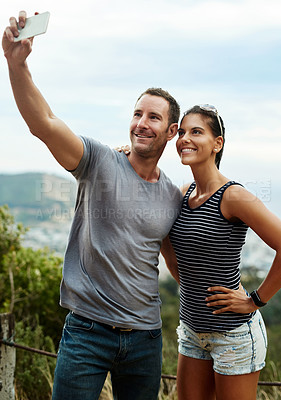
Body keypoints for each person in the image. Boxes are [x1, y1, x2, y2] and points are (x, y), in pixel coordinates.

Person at [2, 11, 183, 400]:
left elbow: (176, 262)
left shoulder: (173, 196)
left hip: (145, 337)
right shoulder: (100, 161)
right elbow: (44, 123)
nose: (141, 123)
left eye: (154, 117)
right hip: (87, 333)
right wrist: (17, 66)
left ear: (171, 132)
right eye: (137, 113)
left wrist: (233, 301)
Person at [161, 104, 281, 400]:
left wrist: (255, 300)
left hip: (234, 336)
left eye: (197, 132)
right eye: (183, 132)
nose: (185, 138)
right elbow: (173, 254)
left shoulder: (233, 196)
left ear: (217, 143)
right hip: (191, 331)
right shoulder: (185, 192)